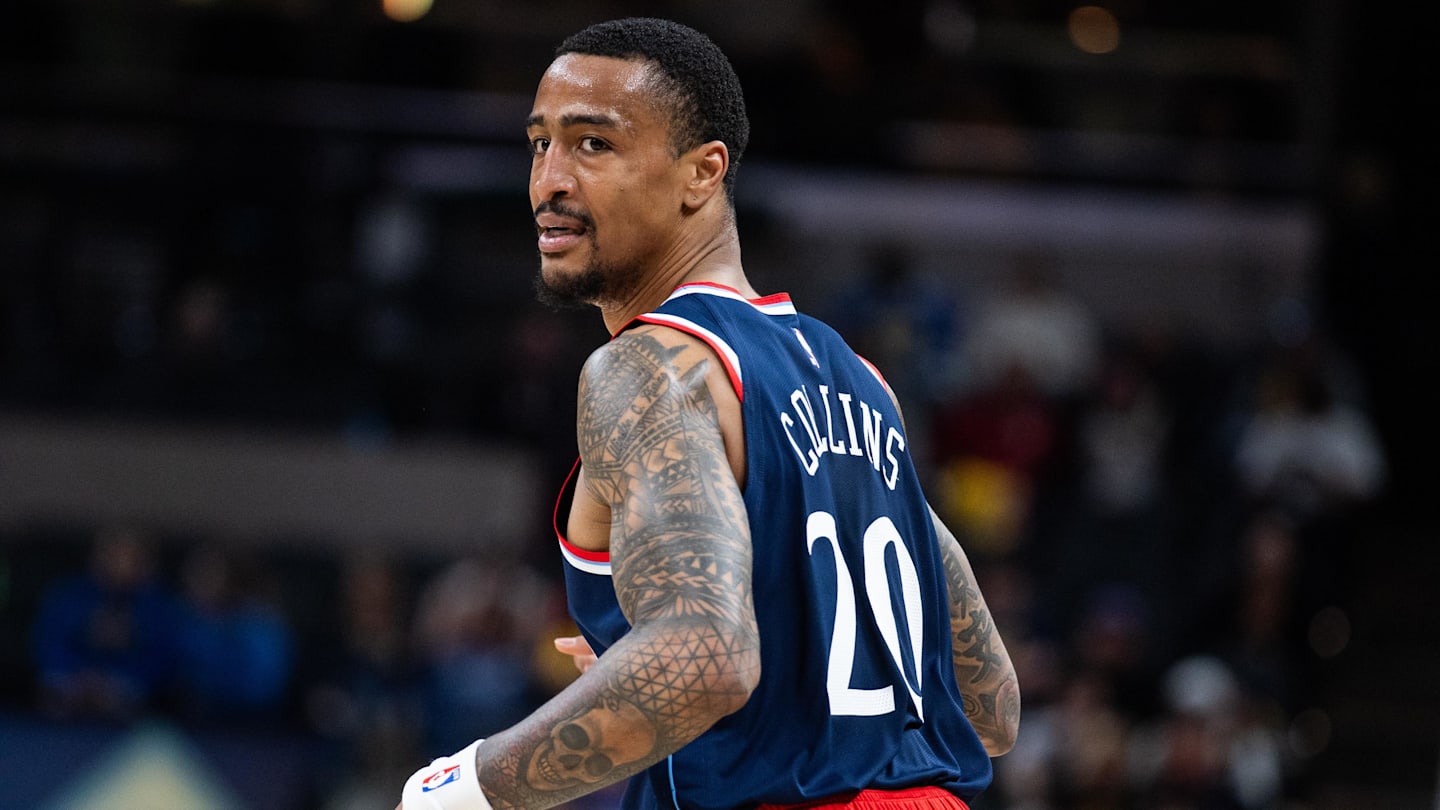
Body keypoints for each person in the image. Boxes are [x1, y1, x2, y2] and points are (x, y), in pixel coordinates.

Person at [399, 17, 1019, 810]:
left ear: (703, 172)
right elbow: (989, 704)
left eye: (593, 145)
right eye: (538, 144)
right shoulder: (863, 383)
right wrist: (655, 687)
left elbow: (712, 656)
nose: (548, 180)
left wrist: (462, 787)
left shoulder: (651, 367)